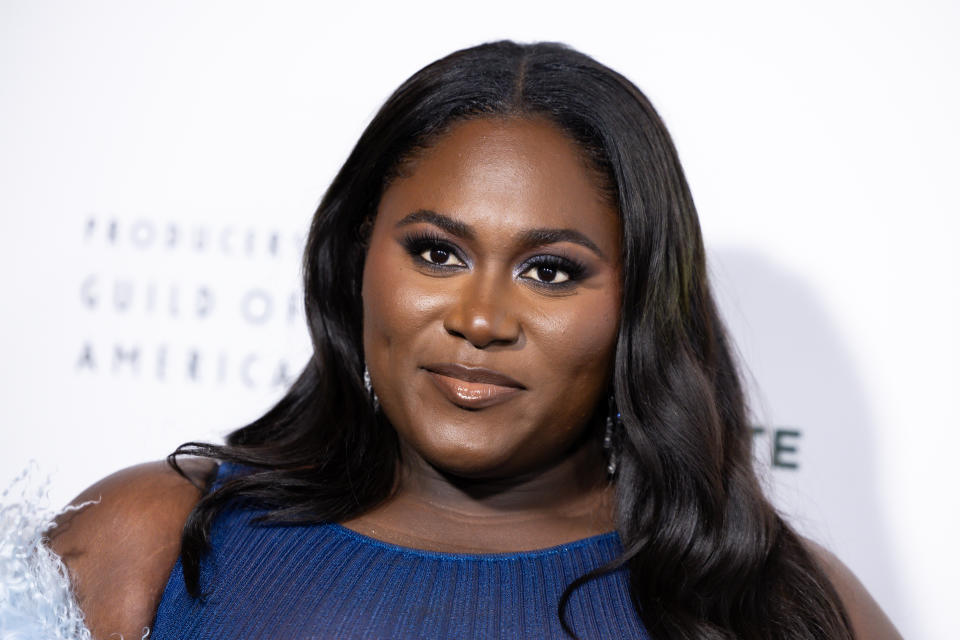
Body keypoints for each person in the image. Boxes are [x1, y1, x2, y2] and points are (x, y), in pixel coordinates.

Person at [46, 41, 901, 639]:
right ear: (356, 261)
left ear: (639, 302)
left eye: (552, 270)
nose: (480, 319)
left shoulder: (779, 605)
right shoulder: (150, 535)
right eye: (435, 252)